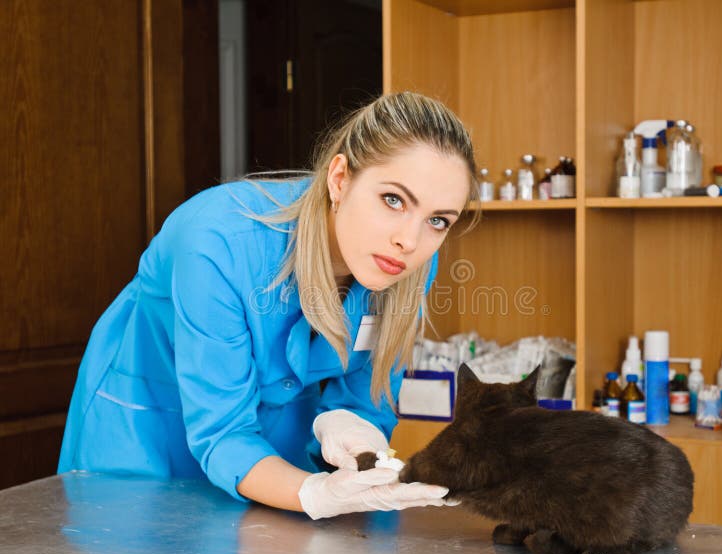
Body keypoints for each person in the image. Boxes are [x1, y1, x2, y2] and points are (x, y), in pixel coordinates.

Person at [58, 92, 480, 519]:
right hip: (145, 431)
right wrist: (315, 494)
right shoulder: (217, 242)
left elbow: (367, 398)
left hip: (269, 441)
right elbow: (224, 433)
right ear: (339, 178)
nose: (410, 240)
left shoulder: (407, 264)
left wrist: (352, 434)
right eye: (393, 199)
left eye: (438, 220)